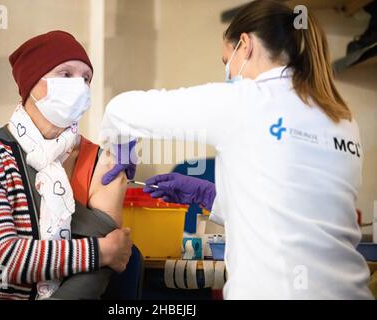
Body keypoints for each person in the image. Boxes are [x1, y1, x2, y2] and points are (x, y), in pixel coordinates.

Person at [100, 0, 373, 299]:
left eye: (225, 60)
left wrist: (124, 151)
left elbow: (119, 109)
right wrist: (206, 195)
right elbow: (286, 212)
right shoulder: (341, 118)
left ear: (245, 44)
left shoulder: (246, 101)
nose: (227, 72)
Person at [0, 31, 133, 300]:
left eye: (86, 78)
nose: (79, 86)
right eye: (66, 74)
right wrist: (101, 250)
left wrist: (104, 251)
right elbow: (1, 256)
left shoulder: (100, 161)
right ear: (32, 82)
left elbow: (94, 277)